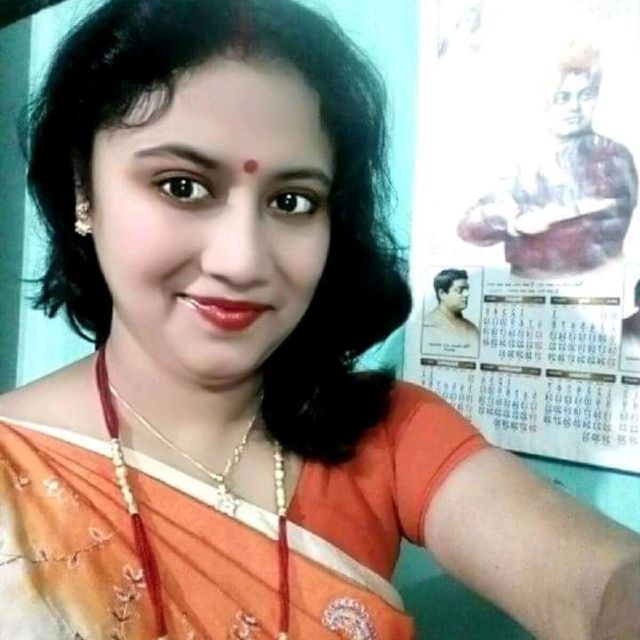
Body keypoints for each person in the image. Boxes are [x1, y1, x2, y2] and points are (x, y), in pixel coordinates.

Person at [0, 2, 638, 638]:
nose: (242, 260)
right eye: (182, 186)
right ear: (83, 187)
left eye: (292, 200)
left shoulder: (388, 436)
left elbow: (601, 585)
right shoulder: (11, 469)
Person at [457, 42, 638, 279]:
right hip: (528, 287)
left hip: (597, 284)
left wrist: (545, 220)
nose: (575, 107)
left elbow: (606, 227)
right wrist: (516, 221)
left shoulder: (614, 157)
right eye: (562, 97)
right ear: (543, 97)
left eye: (586, 95)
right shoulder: (521, 157)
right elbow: (469, 227)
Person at [423, 268, 479, 351]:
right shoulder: (426, 325)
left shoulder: (472, 329)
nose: (466, 294)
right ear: (442, 294)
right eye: (460, 290)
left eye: (467, 290)